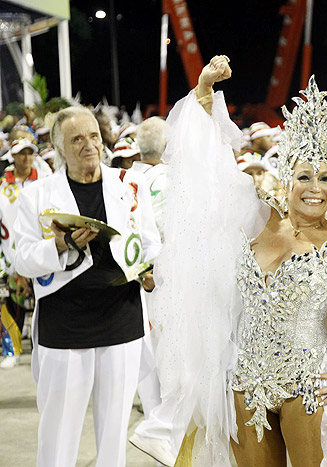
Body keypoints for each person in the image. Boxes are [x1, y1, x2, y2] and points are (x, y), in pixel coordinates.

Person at [152, 56, 327, 467]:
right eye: (305, 176)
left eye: (326, 178)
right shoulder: (256, 218)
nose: (316, 189)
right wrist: (204, 91)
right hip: (244, 383)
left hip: (309, 386)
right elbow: (206, 172)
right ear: (286, 176)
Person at [13, 106, 161, 466]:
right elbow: (22, 258)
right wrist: (60, 245)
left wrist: (147, 268)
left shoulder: (130, 185)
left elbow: (150, 242)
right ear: (60, 148)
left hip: (122, 319)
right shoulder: (36, 196)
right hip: (65, 325)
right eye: (77, 138)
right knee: (58, 434)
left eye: (94, 136)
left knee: (114, 437)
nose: (89, 145)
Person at [129, 116, 177, 465]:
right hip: (167, 280)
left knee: (146, 357)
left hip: (135, 282)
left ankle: (155, 422)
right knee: (171, 359)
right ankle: (164, 432)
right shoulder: (171, 180)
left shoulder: (125, 180)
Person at [0, 138, 46, 369]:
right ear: (12, 156)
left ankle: (43, 349)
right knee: (12, 304)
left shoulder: (44, 181)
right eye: (21, 153)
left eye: (30, 153)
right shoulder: (2, 187)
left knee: (44, 301)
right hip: (11, 256)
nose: (26, 157)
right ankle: (12, 350)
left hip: (41, 254)